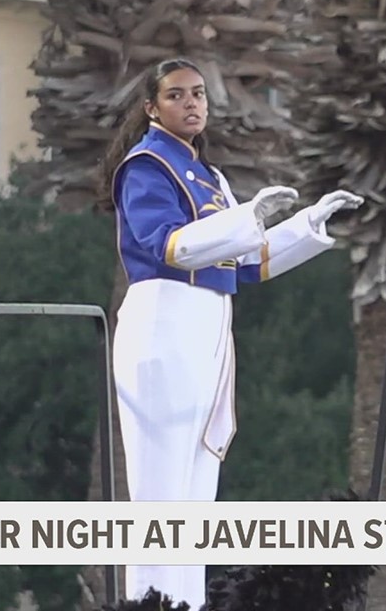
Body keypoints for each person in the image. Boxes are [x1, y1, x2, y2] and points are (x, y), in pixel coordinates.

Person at [97, 57, 363, 607]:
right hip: (164, 329)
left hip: (208, 334)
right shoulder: (146, 165)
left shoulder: (209, 176)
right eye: (176, 95)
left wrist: (306, 225)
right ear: (151, 107)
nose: (192, 103)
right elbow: (168, 245)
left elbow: (245, 264)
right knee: (161, 497)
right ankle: (150, 602)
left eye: (198, 94)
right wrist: (245, 222)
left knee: (196, 501)